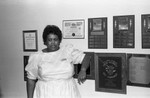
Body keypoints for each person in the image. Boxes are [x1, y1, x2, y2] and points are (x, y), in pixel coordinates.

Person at [25, 25, 91, 98]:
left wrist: (83, 70)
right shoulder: (37, 56)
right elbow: (31, 79)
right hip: (45, 93)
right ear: (45, 41)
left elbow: (86, 57)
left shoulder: (67, 51)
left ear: (59, 40)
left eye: (55, 39)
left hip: (68, 92)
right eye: (50, 40)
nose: (53, 42)